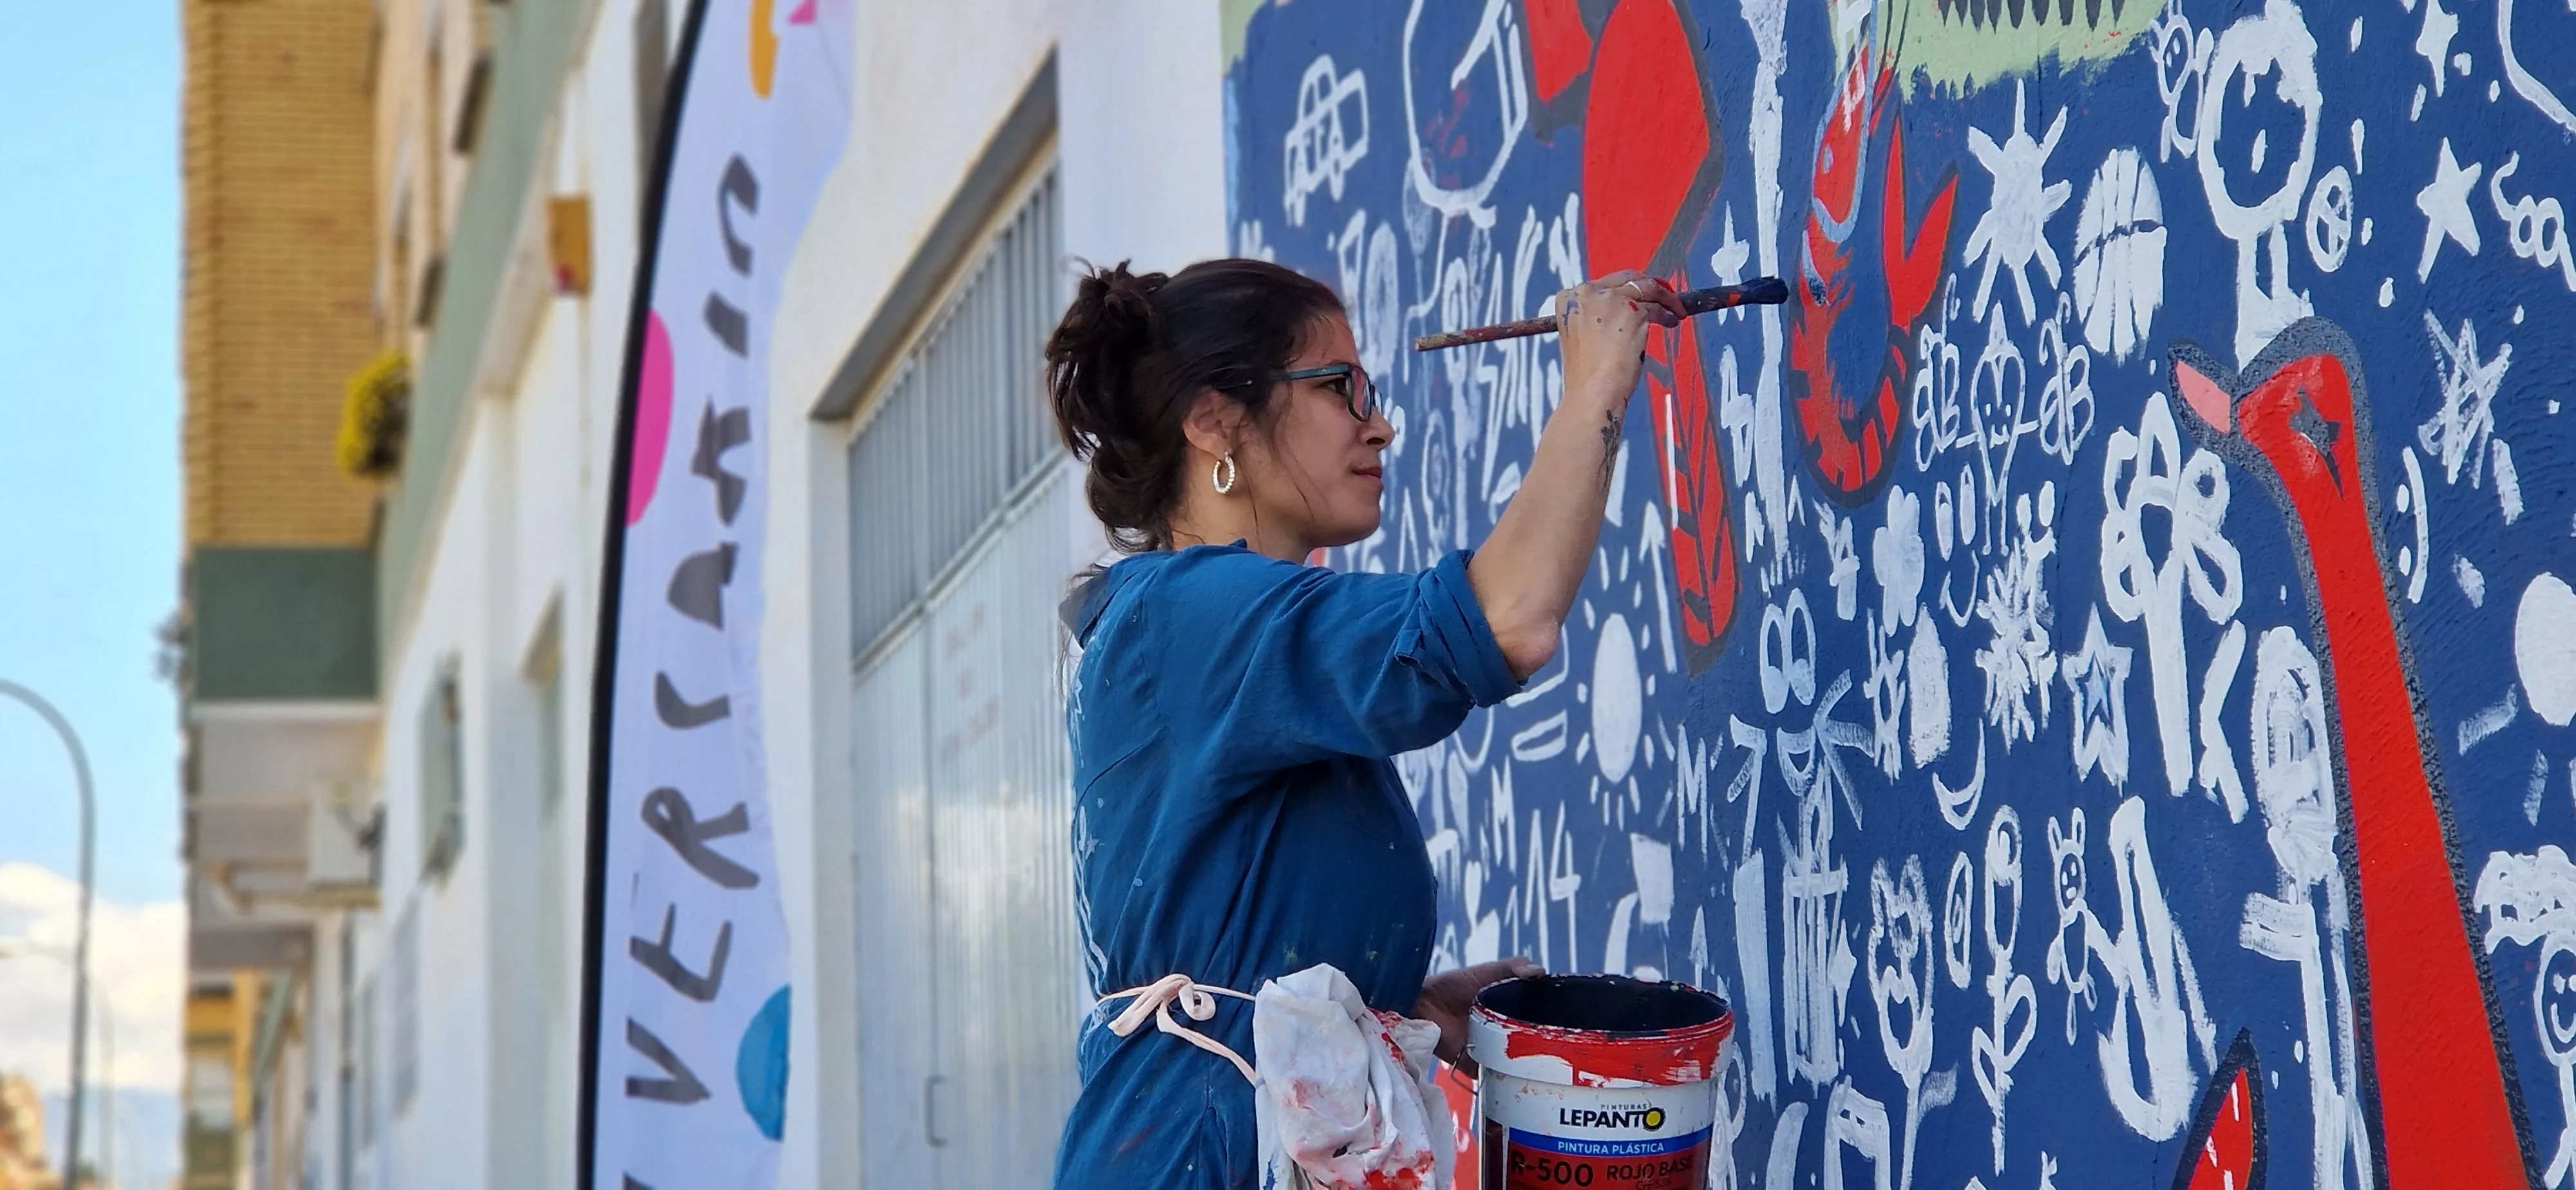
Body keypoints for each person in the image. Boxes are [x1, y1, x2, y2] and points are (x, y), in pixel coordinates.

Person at [1045, 256, 1686, 1189]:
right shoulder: (1191, 613)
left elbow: (1225, 920)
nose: (1377, 424)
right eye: (1341, 388)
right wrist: (1596, 382)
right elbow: (1507, 620)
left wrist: (1395, 1003)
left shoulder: (1198, 624)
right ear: (1216, 421)